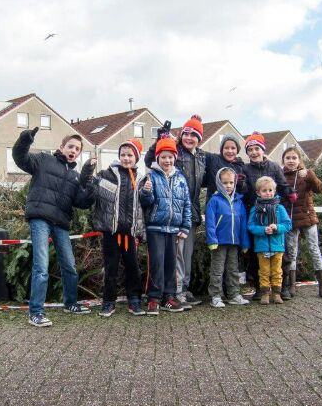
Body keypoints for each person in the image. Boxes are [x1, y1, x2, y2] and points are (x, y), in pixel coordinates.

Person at [12, 126, 95, 327]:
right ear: (62, 147)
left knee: (69, 265)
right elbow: (20, 158)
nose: (73, 150)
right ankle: (36, 313)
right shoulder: (44, 160)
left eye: (77, 149)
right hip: (40, 218)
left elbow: (82, 202)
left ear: (79, 153)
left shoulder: (75, 176)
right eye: (70, 146)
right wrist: (25, 139)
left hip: (61, 224)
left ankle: (70, 303)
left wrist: (89, 182)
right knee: (41, 265)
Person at [144, 116, 206, 308]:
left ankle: (177, 292)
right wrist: (159, 139)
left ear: (199, 139)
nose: (189, 138)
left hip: (183, 218)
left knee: (179, 260)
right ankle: (160, 296)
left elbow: (187, 199)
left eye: (193, 135)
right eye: (186, 133)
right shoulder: (172, 151)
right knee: (161, 262)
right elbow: (150, 158)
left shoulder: (202, 157)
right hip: (158, 224)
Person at [83, 138, 147, 317]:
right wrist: (88, 171)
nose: (126, 158)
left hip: (130, 233)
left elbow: (144, 207)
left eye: (130, 155)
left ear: (136, 158)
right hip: (111, 232)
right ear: (118, 156)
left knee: (133, 268)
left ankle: (134, 300)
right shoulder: (106, 174)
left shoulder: (142, 179)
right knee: (110, 267)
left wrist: (141, 231)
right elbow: (90, 189)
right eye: (123, 154)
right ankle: (108, 302)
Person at [139, 135, 192, 315]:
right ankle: (154, 298)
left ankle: (169, 297)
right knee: (157, 263)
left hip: (174, 229)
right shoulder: (151, 176)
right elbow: (145, 203)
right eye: (163, 157)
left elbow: (186, 204)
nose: (167, 160)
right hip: (155, 228)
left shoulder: (181, 179)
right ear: (158, 158)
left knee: (171, 264)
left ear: (175, 158)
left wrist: (185, 227)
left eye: (170, 156)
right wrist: (146, 193)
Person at [241, 132, 290, 300]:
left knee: (280, 256)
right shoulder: (245, 169)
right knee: (256, 256)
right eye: (250, 150)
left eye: (257, 149)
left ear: (263, 150)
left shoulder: (274, 167)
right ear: (247, 153)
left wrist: (288, 196)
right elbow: (245, 191)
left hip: (275, 214)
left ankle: (281, 289)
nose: (254, 152)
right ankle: (260, 289)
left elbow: (283, 186)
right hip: (255, 213)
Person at [280, 146, 322, 298]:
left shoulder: (306, 173)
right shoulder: (280, 175)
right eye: (288, 158)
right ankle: (292, 286)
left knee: (314, 249)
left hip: (308, 218)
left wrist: (310, 176)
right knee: (292, 252)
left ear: (299, 160)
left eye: (294, 158)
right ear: (284, 160)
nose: (291, 161)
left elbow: (320, 189)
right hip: (291, 219)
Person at [205, 167, 250, 307]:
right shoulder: (214, 201)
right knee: (217, 270)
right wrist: (212, 240)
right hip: (219, 242)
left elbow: (243, 224)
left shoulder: (239, 202)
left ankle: (234, 294)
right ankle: (216, 295)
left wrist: (245, 243)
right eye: (225, 183)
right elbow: (210, 222)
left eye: (231, 182)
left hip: (234, 242)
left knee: (233, 269)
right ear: (219, 183)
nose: (228, 185)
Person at [247, 176, 292, 305]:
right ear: (258, 192)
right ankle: (265, 293)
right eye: (264, 190)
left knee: (277, 271)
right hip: (262, 246)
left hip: (277, 246)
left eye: (270, 190)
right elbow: (251, 226)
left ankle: (277, 293)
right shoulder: (255, 209)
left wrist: (277, 227)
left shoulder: (280, 208)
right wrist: (262, 230)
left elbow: (288, 225)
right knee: (264, 272)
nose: (268, 193)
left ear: (274, 191)